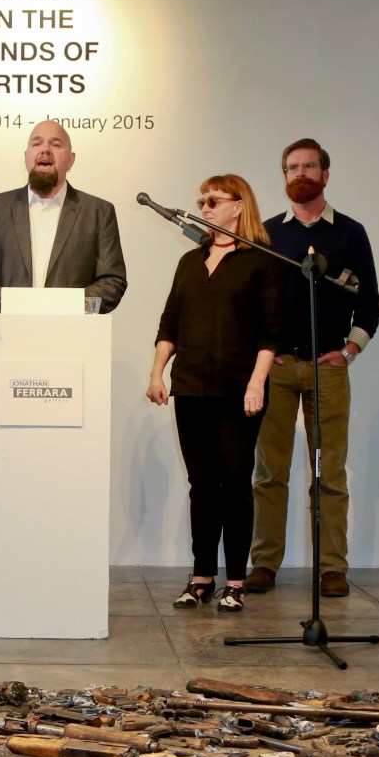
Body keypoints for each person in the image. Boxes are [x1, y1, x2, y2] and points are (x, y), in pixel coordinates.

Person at [247, 138, 379, 597]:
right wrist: (264, 355)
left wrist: (349, 351)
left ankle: (331, 568)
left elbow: (369, 302)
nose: (299, 174)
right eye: (291, 168)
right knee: (269, 472)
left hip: (329, 368)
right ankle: (263, 563)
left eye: (309, 166)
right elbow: (252, 302)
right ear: (283, 178)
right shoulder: (265, 234)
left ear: (325, 174)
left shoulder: (349, 233)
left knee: (329, 473)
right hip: (279, 369)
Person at [149, 175, 285, 611]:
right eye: (201, 200)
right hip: (190, 388)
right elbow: (170, 323)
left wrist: (256, 382)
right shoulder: (190, 261)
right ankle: (202, 577)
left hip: (237, 391)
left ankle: (237, 582)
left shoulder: (260, 262)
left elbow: (270, 333)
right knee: (201, 484)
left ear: (238, 206)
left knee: (235, 484)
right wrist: (157, 372)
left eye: (213, 200)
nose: (204, 208)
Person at [0, 119, 127, 312]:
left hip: (72, 335)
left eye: (56, 144)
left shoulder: (98, 212)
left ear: (71, 159)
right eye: (37, 143)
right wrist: (13, 304)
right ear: (26, 156)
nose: (45, 149)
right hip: (7, 335)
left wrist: (62, 306)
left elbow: (112, 281)